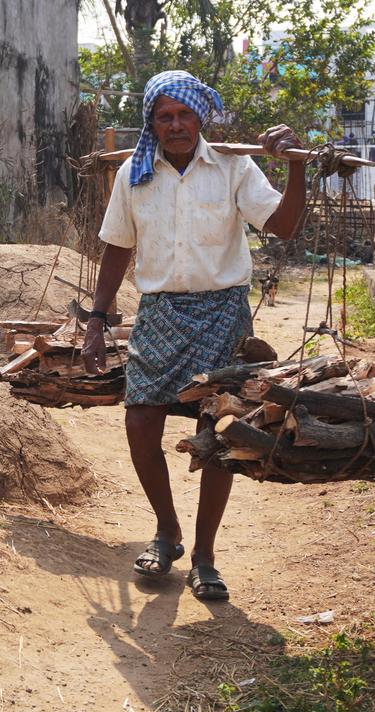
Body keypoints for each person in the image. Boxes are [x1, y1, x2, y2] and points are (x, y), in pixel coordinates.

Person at [81, 70, 306, 601]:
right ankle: (167, 531)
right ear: (152, 124)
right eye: (165, 117)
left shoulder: (232, 165)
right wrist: (96, 317)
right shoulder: (135, 174)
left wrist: (295, 166)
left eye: (184, 115)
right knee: (140, 421)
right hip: (159, 311)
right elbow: (117, 247)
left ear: (200, 117)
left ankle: (205, 556)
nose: (176, 125)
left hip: (222, 310)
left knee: (218, 432)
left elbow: (285, 226)